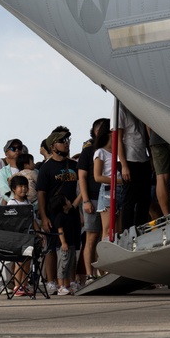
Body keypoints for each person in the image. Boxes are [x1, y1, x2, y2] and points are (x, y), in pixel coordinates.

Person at [37, 127, 80, 293]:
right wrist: (44, 216)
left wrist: (75, 206)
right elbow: (41, 194)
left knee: (72, 247)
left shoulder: (75, 165)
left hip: (72, 212)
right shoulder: (46, 168)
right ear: (52, 146)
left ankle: (70, 281)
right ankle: (51, 281)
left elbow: (80, 188)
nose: (66, 144)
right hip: (54, 212)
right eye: (62, 141)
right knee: (52, 247)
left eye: (67, 140)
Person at [77, 119, 108, 281]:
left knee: (107, 235)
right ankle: (89, 274)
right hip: (93, 199)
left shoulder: (109, 150)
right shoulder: (88, 152)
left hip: (107, 198)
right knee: (91, 237)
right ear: (96, 132)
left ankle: (104, 271)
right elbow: (81, 177)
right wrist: (86, 200)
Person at [117, 104, 152, 229]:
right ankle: (127, 230)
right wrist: (124, 164)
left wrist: (150, 155)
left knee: (145, 198)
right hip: (129, 158)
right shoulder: (120, 109)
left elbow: (145, 136)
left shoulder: (137, 106)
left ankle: (141, 227)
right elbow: (118, 139)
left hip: (143, 157)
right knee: (130, 198)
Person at [48, 193, 80, 295]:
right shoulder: (60, 217)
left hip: (71, 244)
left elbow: (75, 204)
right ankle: (60, 286)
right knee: (62, 265)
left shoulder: (69, 213)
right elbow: (60, 231)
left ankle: (67, 285)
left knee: (69, 265)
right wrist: (63, 243)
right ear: (63, 206)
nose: (69, 201)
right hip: (64, 246)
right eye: (67, 200)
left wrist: (81, 195)